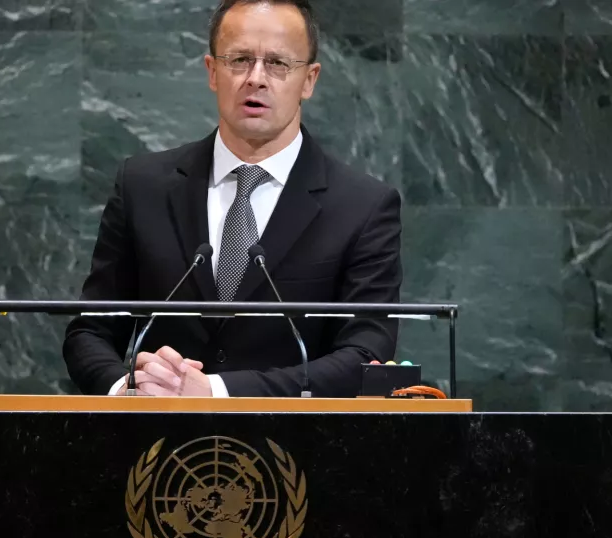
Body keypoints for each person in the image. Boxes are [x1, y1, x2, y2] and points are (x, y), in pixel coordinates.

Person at [63, 0, 402, 397]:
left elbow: (364, 354)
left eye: (278, 63)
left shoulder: (362, 207)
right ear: (212, 71)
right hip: (154, 445)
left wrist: (215, 390)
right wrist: (128, 388)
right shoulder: (142, 186)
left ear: (309, 80)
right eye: (239, 59)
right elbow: (90, 329)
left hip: (301, 449)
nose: (256, 78)